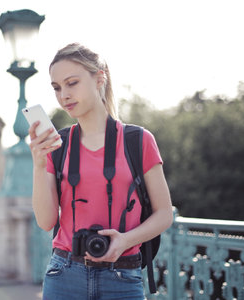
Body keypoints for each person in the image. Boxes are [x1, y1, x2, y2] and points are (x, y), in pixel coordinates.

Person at [29, 43, 173, 299]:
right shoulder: (57, 146)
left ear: (99, 78)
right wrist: (39, 165)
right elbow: (45, 221)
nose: (64, 95)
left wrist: (125, 241)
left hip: (123, 276)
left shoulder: (138, 141)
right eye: (57, 88)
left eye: (72, 83)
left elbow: (164, 214)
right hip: (63, 274)